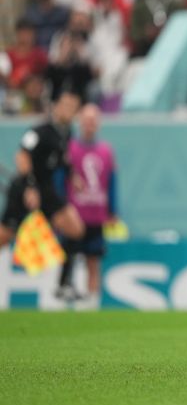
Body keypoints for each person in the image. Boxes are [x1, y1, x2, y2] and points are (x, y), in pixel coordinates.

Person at [0, 90, 85, 249]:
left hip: (46, 189)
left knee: (75, 229)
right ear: (55, 106)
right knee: (5, 235)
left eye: (73, 107)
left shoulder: (66, 132)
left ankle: (62, 262)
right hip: (25, 187)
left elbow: (62, 158)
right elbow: (22, 156)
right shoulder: (39, 130)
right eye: (66, 105)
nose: (69, 110)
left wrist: (72, 176)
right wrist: (30, 187)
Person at [58, 104, 117, 305]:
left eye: (93, 120)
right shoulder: (69, 149)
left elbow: (112, 182)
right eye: (87, 119)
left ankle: (91, 305)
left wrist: (112, 210)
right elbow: (61, 181)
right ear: (80, 122)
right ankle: (65, 302)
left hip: (96, 215)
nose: (90, 124)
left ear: (98, 123)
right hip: (73, 215)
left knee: (93, 261)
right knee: (69, 260)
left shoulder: (106, 151)